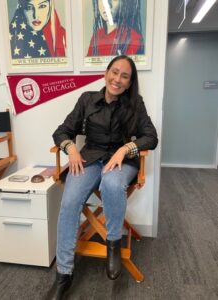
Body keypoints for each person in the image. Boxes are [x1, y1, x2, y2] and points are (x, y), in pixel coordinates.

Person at [49, 55, 158, 299]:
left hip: (121, 163)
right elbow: (62, 131)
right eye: (115, 72)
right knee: (68, 203)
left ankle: (113, 244)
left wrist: (124, 149)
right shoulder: (87, 99)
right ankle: (63, 274)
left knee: (111, 183)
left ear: (130, 83)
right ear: (106, 72)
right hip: (89, 159)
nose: (117, 79)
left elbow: (151, 137)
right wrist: (72, 148)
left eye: (124, 76)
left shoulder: (135, 104)